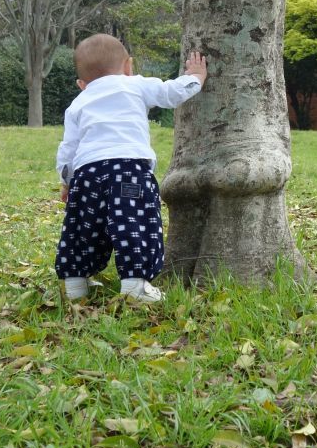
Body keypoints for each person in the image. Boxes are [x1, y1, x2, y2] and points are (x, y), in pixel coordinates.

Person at [55, 34, 207, 303]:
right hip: (129, 168)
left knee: (82, 226)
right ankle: (135, 284)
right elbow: (171, 93)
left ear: (81, 84)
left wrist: (67, 181)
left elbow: (68, 149)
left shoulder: (77, 103)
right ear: (128, 66)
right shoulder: (134, 84)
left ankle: (75, 284)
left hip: (86, 174)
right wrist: (195, 77)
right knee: (133, 222)